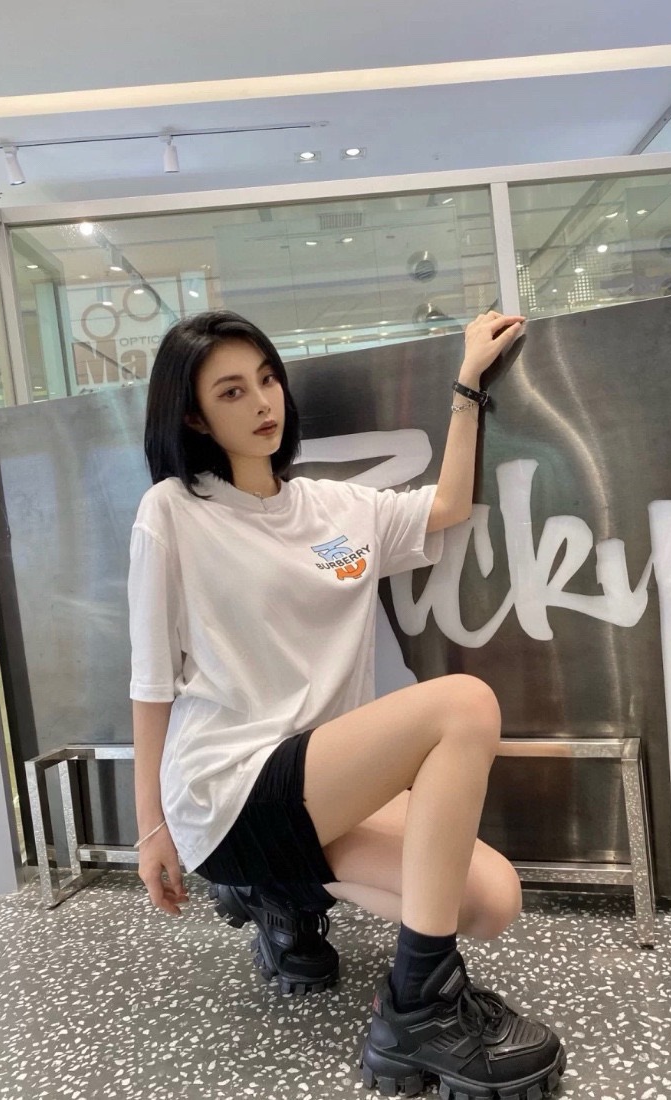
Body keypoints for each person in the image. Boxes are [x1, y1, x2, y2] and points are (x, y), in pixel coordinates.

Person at [129, 308, 566, 1099]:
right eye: (232, 391)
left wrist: (469, 382)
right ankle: (419, 1008)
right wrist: (152, 827)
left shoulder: (337, 511)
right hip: (227, 788)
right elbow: (151, 680)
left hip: (320, 784)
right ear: (194, 417)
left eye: (267, 379)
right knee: (463, 705)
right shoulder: (173, 513)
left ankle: (276, 890)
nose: (263, 401)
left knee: (491, 901)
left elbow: (447, 506)